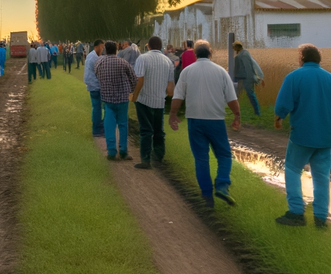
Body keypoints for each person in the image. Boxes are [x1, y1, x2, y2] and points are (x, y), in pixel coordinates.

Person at [274, 43, 331, 228]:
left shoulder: (294, 77)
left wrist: (279, 118)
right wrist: (330, 127)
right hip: (326, 138)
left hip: (302, 136)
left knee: (292, 169)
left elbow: (283, 104)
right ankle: (321, 218)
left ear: (301, 57)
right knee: (321, 176)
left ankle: (296, 212)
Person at [170, 40, 240, 208]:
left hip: (195, 120)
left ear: (195, 54)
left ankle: (207, 197)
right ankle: (222, 185)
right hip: (216, 120)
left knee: (201, 158)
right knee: (224, 155)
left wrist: (173, 114)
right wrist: (237, 115)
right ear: (211, 53)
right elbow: (231, 98)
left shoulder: (187, 72)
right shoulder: (221, 72)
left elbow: (177, 96)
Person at [130, 36, 175, 169]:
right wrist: (165, 96)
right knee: (158, 131)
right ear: (161, 46)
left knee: (145, 130)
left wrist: (135, 96)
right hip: (159, 101)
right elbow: (170, 87)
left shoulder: (142, 58)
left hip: (144, 100)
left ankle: (145, 160)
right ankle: (159, 157)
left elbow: (140, 80)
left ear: (148, 46)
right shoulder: (168, 61)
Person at [94, 40, 137, 160]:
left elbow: (97, 75)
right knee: (123, 124)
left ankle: (111, 151)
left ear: (106, 49)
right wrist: (131, 90)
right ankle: (123, 150)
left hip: (108, 98)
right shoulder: (123, 62)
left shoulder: (99, 62)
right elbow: (133, 79)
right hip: (122, 98)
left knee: (109, 125)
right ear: (116, 50)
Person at [230, 40, 263, 116]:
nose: (233, 49)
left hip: (243, 78)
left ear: (237, 48)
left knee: (237, 95)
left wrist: (234, 78)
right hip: (248, 77)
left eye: (234, 48)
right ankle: (257, 111)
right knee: (250, 94)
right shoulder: (246, 53)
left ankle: (236, 111)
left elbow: (238, 69)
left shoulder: (239, 57)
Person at [83, 40, 105, 137]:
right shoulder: (95, 58)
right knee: (97, 108)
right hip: (95, 86)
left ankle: (97, 125)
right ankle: (96, 129)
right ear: (96, 47)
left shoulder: (92, 55)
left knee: (96, 108)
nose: (102, 49)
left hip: (92, 85)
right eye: (102, 47)